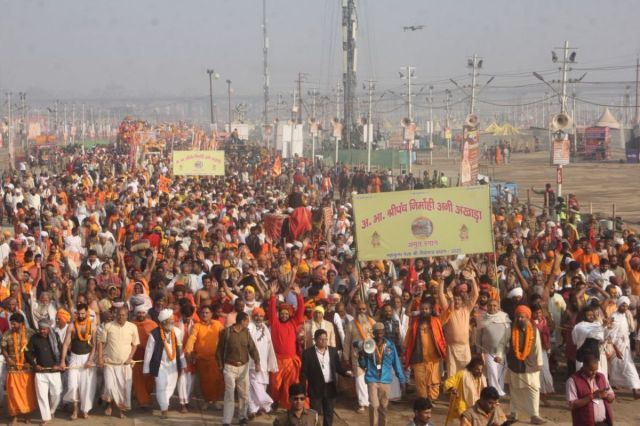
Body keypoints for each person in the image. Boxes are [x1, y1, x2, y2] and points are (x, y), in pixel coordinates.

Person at [216, 311, 261, 426]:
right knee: (229, 394)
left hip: (243, 367)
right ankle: (226, 421)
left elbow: (252, 348)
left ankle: (242, 417)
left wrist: (257, 362)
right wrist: (221, 366)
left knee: (244, 394)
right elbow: (219, 351)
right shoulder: (226, 332)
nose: (248, 323)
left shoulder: (246, 333)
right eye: (247, 321)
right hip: (229, 367)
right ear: (242, 321)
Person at [358, 322, 406, 426]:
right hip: (372, 379)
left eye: (381, 332)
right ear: (373, 333)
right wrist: (361, 356)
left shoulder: (390, 346)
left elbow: (396, 364)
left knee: (383, 407)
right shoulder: (368, 345)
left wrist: (402, 380)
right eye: (377, 333)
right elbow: (364, 364)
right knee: (374, 405)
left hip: (385, 380)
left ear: (384, 332)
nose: (379, 335)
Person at [300, 328, 351, 426]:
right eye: (321, 339)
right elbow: (303, 373)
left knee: (329, 413)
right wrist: (303, 389)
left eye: (325, 339)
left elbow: (338, 367)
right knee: (314, 413)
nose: (324, 341)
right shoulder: (308, 353)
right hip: (315, 388)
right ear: (315, 340)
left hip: (330, 387)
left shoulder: (332, 351)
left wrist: (346, 373)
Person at [142, 308, 187, 418]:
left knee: (170, 386)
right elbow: (148, 352)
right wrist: (146, 369)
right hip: (160, 365)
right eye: (169, 320)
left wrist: (183, 364)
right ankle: (164, 409)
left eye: (172, 320)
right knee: (161, 385)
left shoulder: (177, 332)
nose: (172, 322)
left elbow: (180, 350)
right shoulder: (154, 334)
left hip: (173, 365)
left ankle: (165, 402)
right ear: (163, 322)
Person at [505, 305, 546, 425]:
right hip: (515, 365)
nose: (519, 319)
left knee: (533, 389)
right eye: (518, 317)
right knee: (515, 389)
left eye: (522, 317)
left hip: (531, 364)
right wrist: (500, 356)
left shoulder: (534, 330)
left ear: (528, 317)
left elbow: (538, 347)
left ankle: (534, 415)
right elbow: (503, 344)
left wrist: (540, 362)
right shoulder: (510, 329)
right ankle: (513, 413)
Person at [97, 306, 140, 418]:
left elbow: (135, 344)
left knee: (124, 389)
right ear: (116, 315)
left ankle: (121, 411)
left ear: (127, 316)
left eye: (123, 315)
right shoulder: (108, 326)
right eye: (119, 315)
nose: (121, 317)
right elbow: (101, 343)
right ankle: (109, 405)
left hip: (124, 364)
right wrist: (100, 358)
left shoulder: (132, 327)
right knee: (110, 387)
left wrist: (130, 357)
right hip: (109, 364)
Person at [269, 280, 305, 409]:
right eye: (282, 313)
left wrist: (299, 296)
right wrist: (273, 296)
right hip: (277, 361)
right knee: (275, 384)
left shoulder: (294, 323)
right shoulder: (275, 323)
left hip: (290, 360)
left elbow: (300, 312)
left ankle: (289, 405)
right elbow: (272, 311)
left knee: (290, 384)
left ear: (289, 314)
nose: (284, 315)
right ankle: (275, 400)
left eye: (286, 314)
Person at [59, 303, 97, 420]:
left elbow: (95, 345)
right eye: (78, 313)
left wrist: (90, 360)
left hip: (87, 359)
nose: (80, 315)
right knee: (72, 385)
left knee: (86, 387)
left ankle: (84, 410)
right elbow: (65, 345)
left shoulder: (93, 326)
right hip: (74, 358)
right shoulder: (72, 326)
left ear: (87, 313)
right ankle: (75, 410)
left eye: (83, 313)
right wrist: (62, 361)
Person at [403, 299, 446, 401]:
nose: (424, 311)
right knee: (420, 381)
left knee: (434, 381)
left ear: (431, 310)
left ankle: (431, 399)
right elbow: (408, 338)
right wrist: (405, 349)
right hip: (418, 357)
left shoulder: (436, 321)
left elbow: (441, 337)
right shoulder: (414, 323)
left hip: (433, 358)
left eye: (426, 309)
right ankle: (423, 401)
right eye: (422, 309)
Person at [184, 304, 225, 407]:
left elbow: (225, 337)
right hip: (201, 359)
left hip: (215, 359)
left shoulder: (217, 324)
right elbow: (192, 338)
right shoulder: (197, 326)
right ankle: (207, 401)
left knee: (217, 381)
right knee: (204, 382)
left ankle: (215, 401)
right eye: (203, 313)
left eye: (207, 313)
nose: (205, 315)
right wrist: (188, 350)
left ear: (211, 314)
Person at [1, 313, 37, 425]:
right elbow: (3, 349)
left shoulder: (31, 333)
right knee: (13, 393)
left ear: (21, 323)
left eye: (14, 323)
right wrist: (7, 359)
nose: (12, 325)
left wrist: (30, 361)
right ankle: (14, 416)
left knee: (27, 392)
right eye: (11, 323)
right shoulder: (7, 334)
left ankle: (27, 415)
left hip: (27, 367)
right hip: (12, 367)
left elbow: (36, 349)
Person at [26, 319, 62, 426]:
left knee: (56, 394)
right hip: (40, 372)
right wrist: (34, 364)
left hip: (54, 371)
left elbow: (61, 351)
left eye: (44, 329)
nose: (42, 331)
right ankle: (45, 418)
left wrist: (58, 363)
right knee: (42, 396)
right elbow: (27, 352)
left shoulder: (55, 336)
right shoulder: (34, 338)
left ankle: (51, 411)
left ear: (49, 328)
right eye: (41, 329)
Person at [343, 301, 376, 413]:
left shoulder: (372, 322)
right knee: (360, 380)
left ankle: (372, 400)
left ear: (366, 310)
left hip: (372, 356)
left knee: (371, 378)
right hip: (356, 355)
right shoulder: (351, 324)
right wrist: (346, 357)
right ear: (355, 311)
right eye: (359, 309)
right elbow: (347, 342)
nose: (361, 311)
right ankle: (362, 404)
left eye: (363, 309)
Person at [566, 354, 615, 426]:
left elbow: (612, 396)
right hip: (584, 423)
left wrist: (607, 396)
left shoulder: (601, 377)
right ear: (584, 366)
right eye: (591, 370)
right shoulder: (573, 381)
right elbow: (572, 404)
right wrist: (592, 396)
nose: (594, 373)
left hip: (603, 422)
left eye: (596, 369)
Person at [475, 298, 510, 396]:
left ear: (498, 307)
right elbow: (478, 336)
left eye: (494, 305)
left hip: (501, 351)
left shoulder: (504, 318)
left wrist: (507, 346)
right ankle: (494, 393)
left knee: (500, 373)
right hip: (488, 351)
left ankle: (499, 391)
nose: (492, 307)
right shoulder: (483, 318)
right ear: (487, 307)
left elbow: (507, 334)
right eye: (490, 305)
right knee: (492, 373)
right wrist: (478, 350)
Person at [607, 296, 640, 398]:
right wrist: (616, 349)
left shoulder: (627, 316)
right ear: (619, 305)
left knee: (630, 367)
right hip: (616, 347)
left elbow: (630, 330)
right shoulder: (614, 317)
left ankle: (635, 389)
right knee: (614, 369)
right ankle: (609, 389)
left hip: (626, 346)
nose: (624, 307)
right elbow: (610, 335)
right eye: (623, 305)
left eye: (626, 306)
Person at [247, 306, 278, 418]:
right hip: (252, 362)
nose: (259, 318)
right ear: (252, 316)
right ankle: (267, 405)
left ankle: (256, 409)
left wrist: (271, 361)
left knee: (262, 384)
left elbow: (270, 345)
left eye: (261, 316)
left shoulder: (265, 327)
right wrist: (255, 362)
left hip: (264, 362)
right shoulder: (249, 327)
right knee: (254, 385)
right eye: (256, 316)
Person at [443, 356, 487, 425]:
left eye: (481, 369)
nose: (479, 372)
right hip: (462, 405)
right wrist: (452, 388)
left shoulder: (481, 377)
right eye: (477, 369)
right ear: (472, 367)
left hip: (475, 405)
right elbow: (448, 382)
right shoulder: (462, 374)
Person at [131, 304, 156, 410]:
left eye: (143, 312)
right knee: (138, 380)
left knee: (149, 381)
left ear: (146, 313)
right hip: (136, 354)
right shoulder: (131, 325)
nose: (141, 314)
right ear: (136, 313)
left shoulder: (153, 324)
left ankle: (146, 397)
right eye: (139, 312)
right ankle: (143, 402)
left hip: (149, 355)